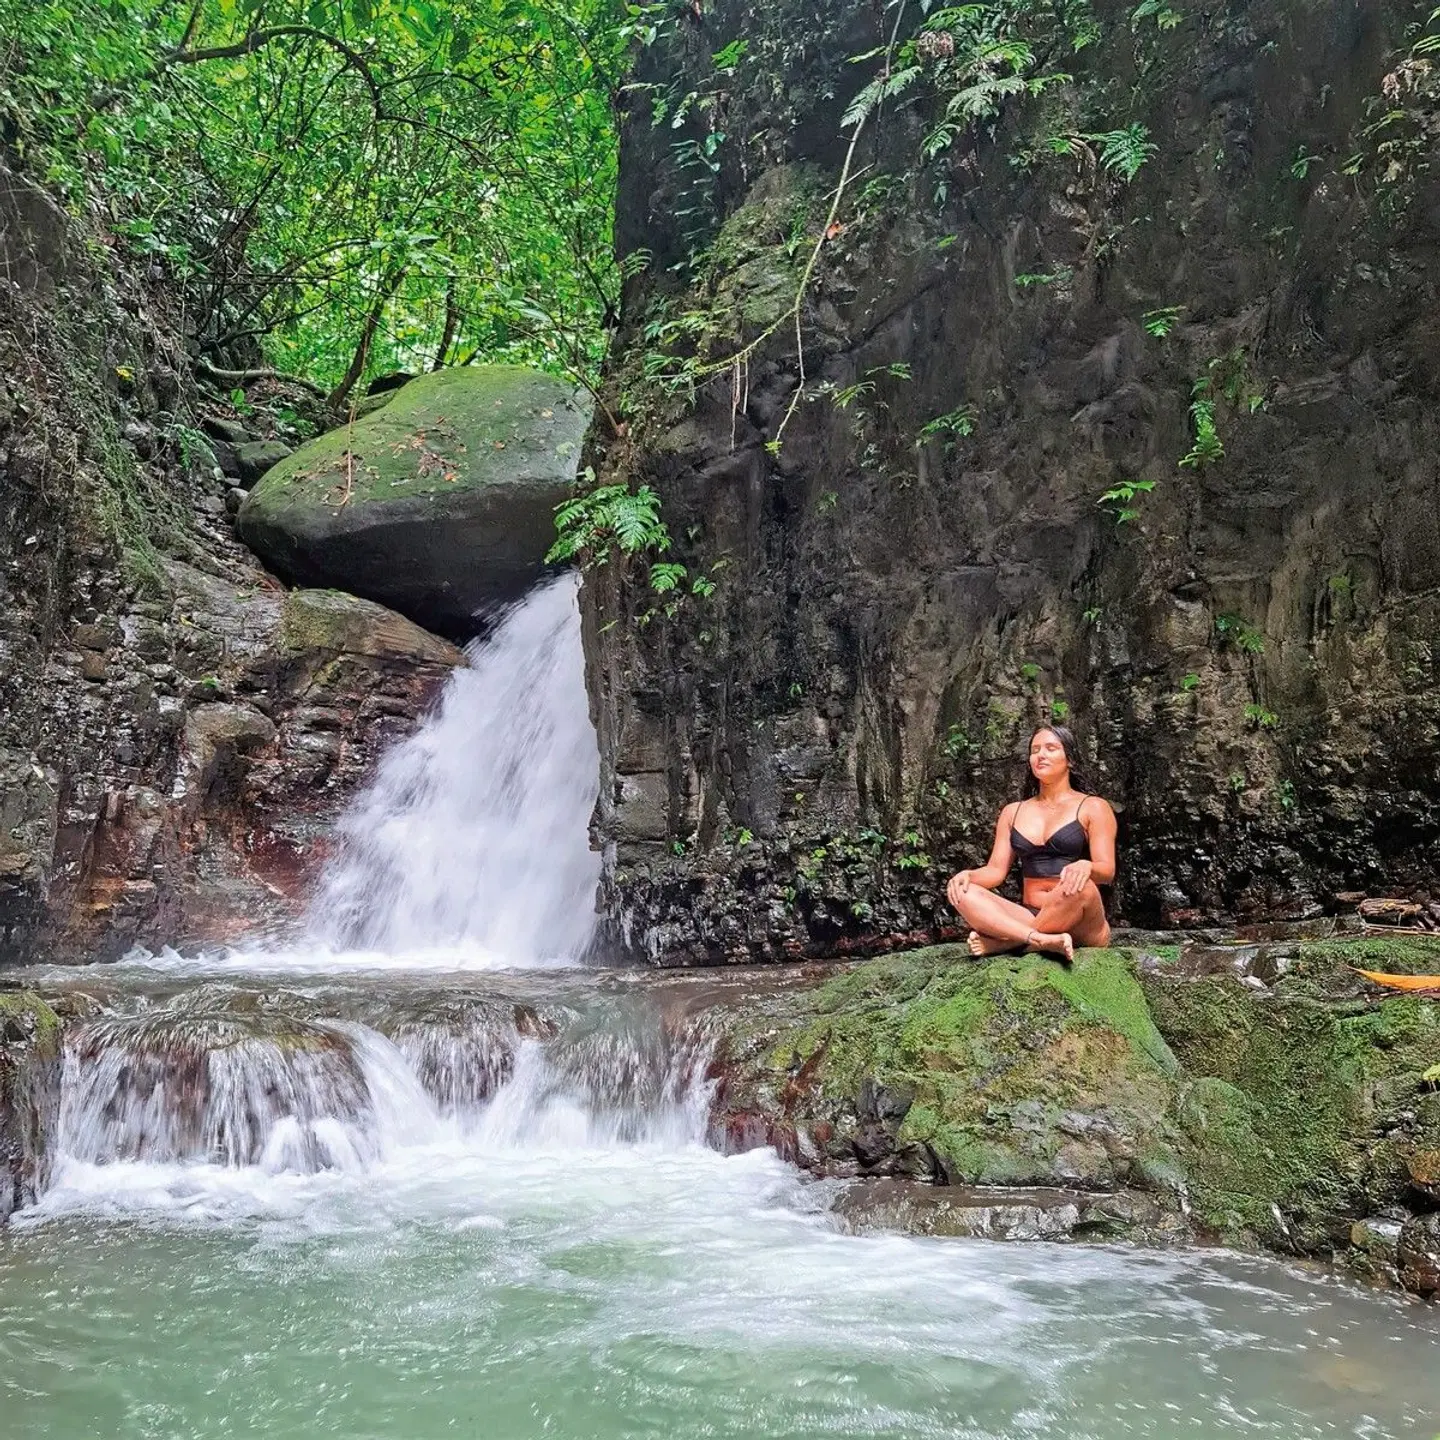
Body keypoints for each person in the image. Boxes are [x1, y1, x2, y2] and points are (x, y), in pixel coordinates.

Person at [945, 724, 1116, 962]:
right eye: (1035, 750)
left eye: (1050, 748)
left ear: (1070, 760)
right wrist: (968, 876)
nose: (1040, 755)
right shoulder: (1012, 812)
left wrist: (1087, 866)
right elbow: (995, 872)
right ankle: (1039, 940)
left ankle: (1008, 943)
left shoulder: (1093, 807)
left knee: (1083, 887)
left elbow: (1107, 871)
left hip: (1081, 921)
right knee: (961, 892)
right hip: (1029, 914)